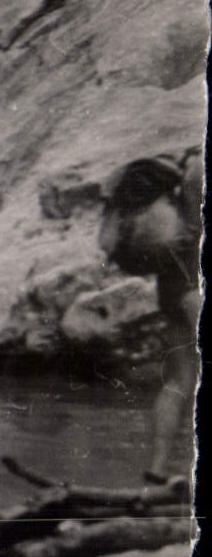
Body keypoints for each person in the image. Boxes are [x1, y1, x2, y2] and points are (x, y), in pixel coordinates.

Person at [98, 151, 203, 483]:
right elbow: (194, 229)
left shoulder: (177, 174)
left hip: (172, 290)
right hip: (193, 286)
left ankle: (157, 469)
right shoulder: (197, 171)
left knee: (179, 380)